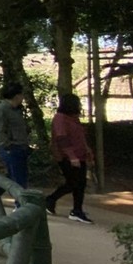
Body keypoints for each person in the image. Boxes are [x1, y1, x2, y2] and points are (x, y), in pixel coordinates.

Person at [46, 93, 94, 223]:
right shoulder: (60, 118)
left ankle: (74, 208)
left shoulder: (73, 118)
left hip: (80, 155)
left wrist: (87, 149)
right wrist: (72, 156)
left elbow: (80, 136)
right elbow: (62, 138)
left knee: (79, 183)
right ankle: (56, 202)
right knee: (74, 183)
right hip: (67, 157)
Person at [0, 82, 32, 190]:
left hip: (21, 146)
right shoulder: (1, 109)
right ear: (17, 96)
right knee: (19, 179)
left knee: (13, 176)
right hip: (11, 148)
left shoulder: (17, 110)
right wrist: (7, 145)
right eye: (22, 95)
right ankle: (21, 205)